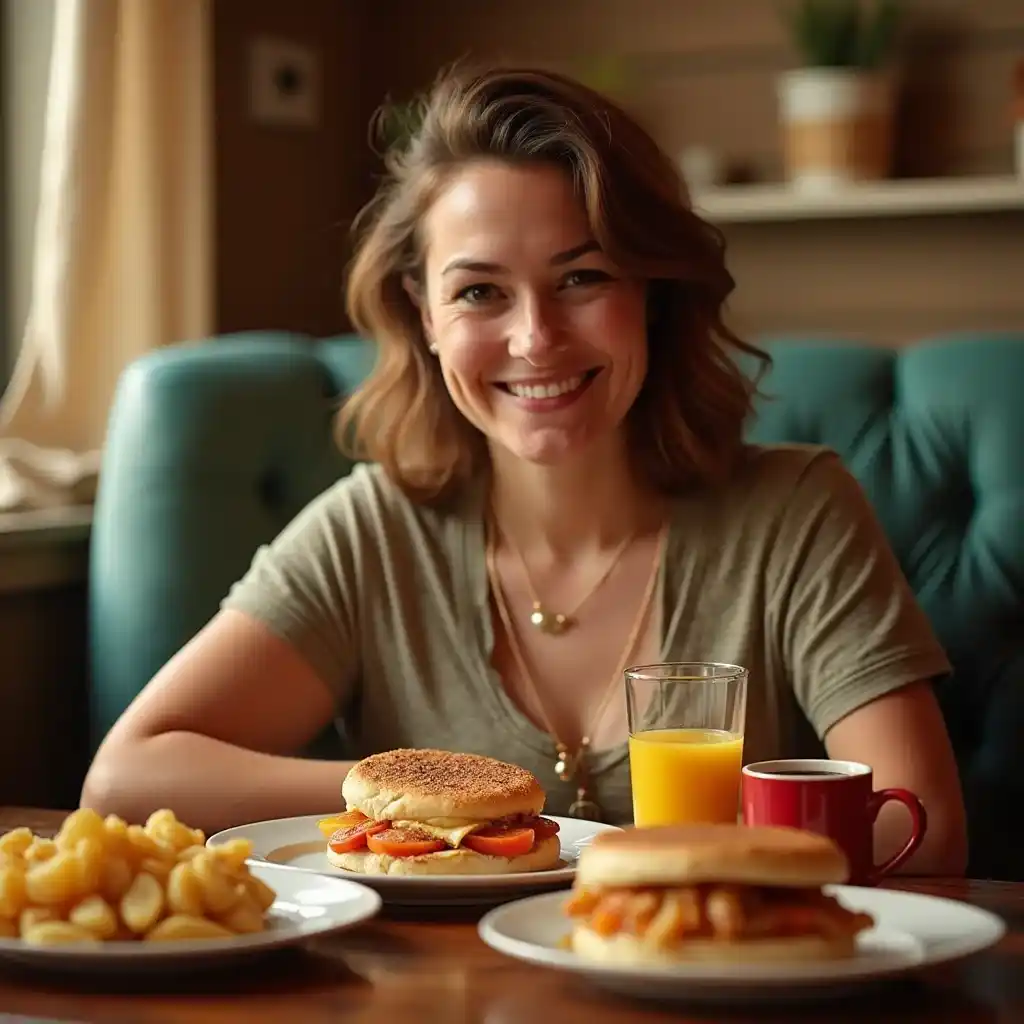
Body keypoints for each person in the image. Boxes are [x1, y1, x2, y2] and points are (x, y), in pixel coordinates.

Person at [81, 65, 967, 875]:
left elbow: (919, 831)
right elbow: (124, 779)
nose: (536, 337)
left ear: (652, 295)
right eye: (478, 291)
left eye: (581, 278)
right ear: (421, 316)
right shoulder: (374, 530)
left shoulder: (797, 512)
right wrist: (425, 796)